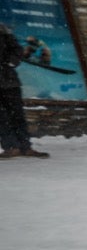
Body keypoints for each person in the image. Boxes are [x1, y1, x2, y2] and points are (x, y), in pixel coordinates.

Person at [0, 24, 46, 159]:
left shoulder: (3, 34)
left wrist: (10, 62)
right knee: (1, 118)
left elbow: (17, 50)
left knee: (17, 115)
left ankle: (25, 147)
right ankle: (11, 147)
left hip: (9, 82)